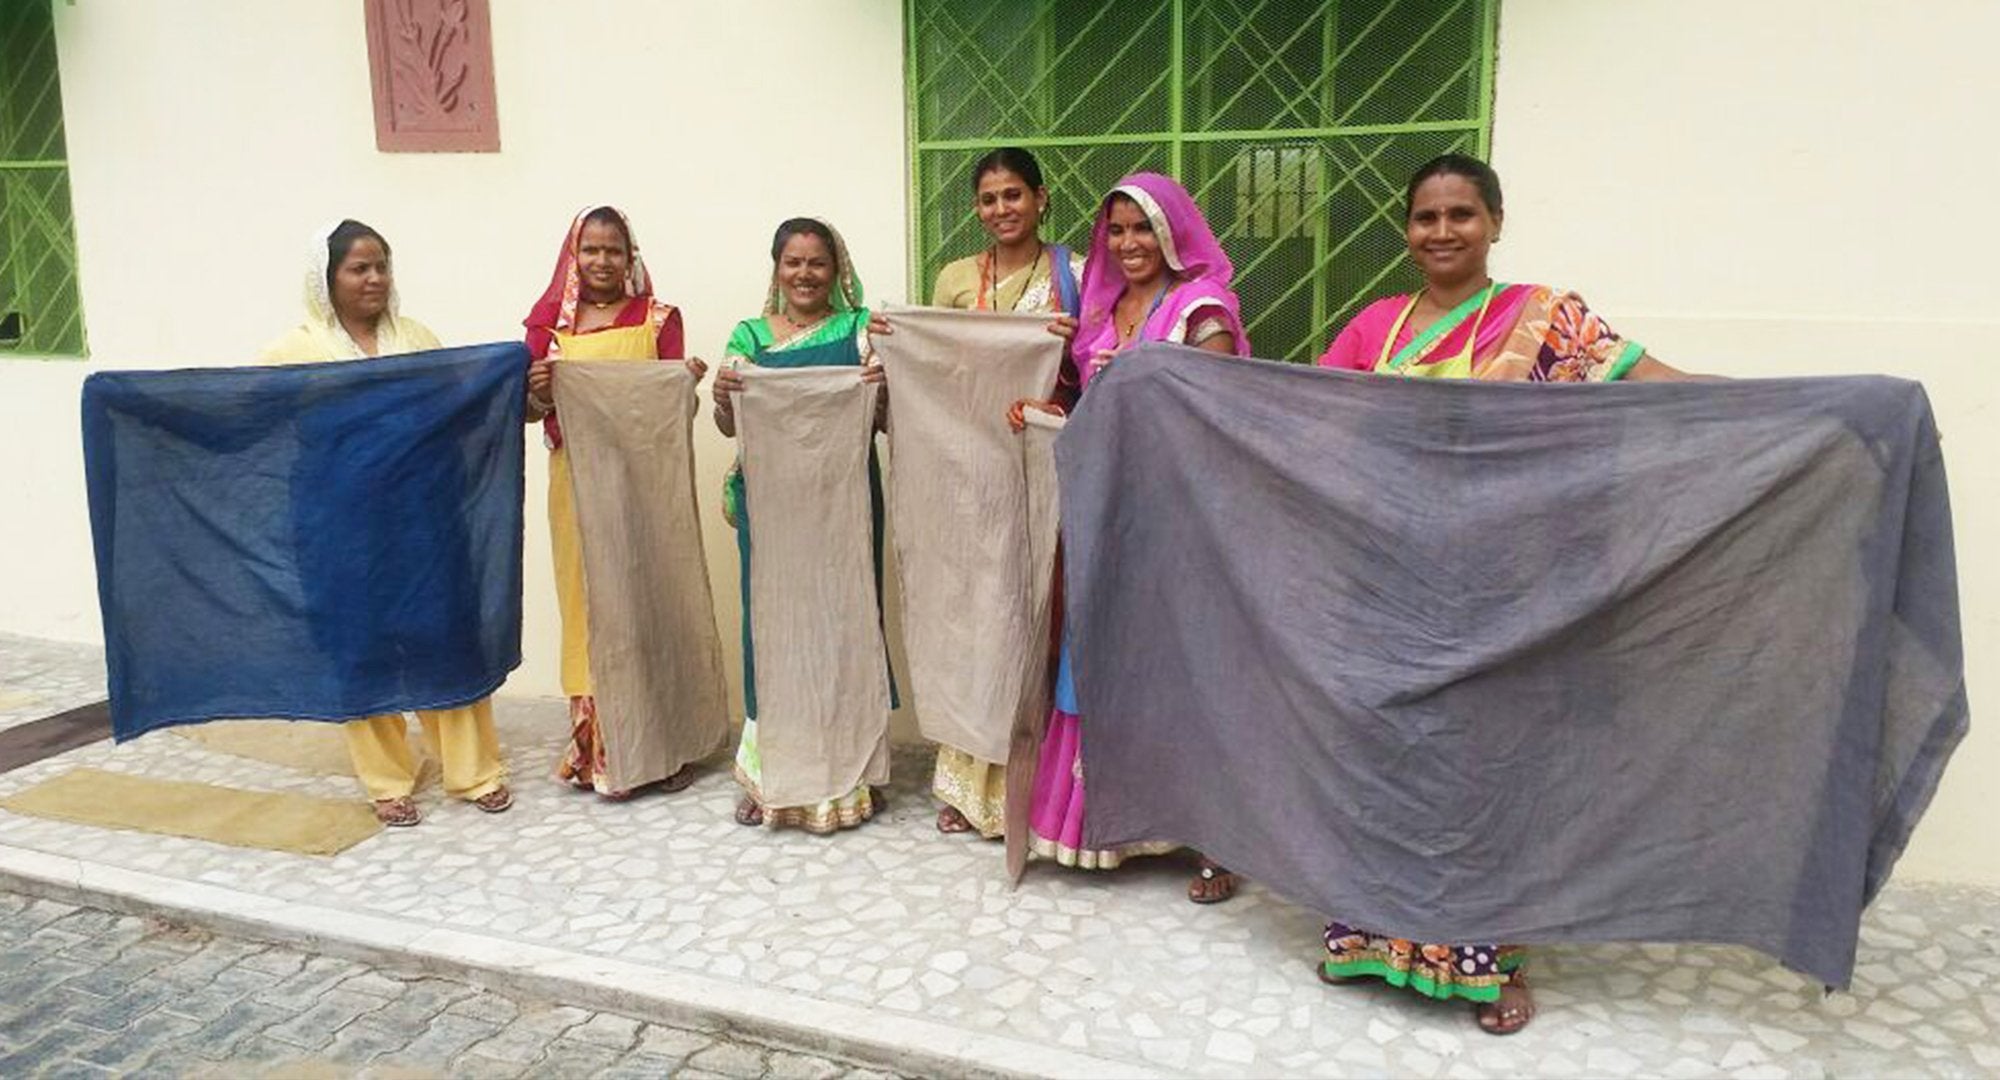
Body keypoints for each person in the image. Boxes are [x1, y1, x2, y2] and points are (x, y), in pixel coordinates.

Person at [1313, 153, 1701, 1036]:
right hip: (1392, 585)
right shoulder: (1376, 327)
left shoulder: (1547, 319)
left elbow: (1660, 392)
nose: (1441, 232)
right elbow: (1296, 416)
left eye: (1461, 214)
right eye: (1425, 217)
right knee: (1389, 762)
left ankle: (1493, 963)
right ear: (1404, 229)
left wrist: (1818, 407)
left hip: (1507, 595)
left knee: (1487, 772)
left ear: (1494, 221)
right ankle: (1366, 939)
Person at [1011, 173, 1248, 902]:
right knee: (1095, 650)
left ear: (1175, 231)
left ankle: (1212, 840)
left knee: (1181, 662)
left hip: (1176, 513)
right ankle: (1096, 828)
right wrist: (1044, 404)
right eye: (1116, 230)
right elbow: (1086, 397)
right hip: (1101, 506)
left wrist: (1146, 384)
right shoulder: (1102, 310)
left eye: (1142, 228)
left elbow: (1218, 397)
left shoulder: (1201, 306)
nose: (1129, 244)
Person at [260, 219, 512, 827]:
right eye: (358, 268)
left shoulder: (418, 340)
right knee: (360, 643)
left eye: (381, 266)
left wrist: (514, 385)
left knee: (445, 633)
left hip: (423, 520)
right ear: (327, 279)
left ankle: (474, 771)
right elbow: (260, 424)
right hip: (341, 526)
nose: (374, 278)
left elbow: (458, 412)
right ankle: (386, 781)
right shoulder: (295, 352)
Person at [907, 147, 1082, 839]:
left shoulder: (1071, 275)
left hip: (1042, 463)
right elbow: (941, 364)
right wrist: (899, 340)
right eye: (989, 199)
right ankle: (965, 782)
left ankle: (1027, 782)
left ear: (1042, 199)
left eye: (1015, 195)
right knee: (973, 614)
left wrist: (1068, 342)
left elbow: (1090, 357)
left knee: (1033, 612)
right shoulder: (955, 277)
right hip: (967, 472)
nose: (1002, 209)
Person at [712, 217, 894, 834]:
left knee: (844, 623)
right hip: (773, 511)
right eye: (793, 262)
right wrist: (721, 395)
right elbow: (730, 427)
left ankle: (849, 774)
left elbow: (887, 418)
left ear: (836, 269)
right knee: (771, 626)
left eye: (817, 263)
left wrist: (882, 387)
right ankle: (770, 777)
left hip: (844, 504)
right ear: (776, 268)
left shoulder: (861, 329)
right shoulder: (749, 335)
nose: (805, 275)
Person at [523, 205, 708, 801]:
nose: (602, 262)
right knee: (588, 604)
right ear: (572, 257)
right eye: (590, 250)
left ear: (632, 256)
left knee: (647, 597)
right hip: (575, 479)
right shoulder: (549, 326)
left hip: (644, 484)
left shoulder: (658, 320)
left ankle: (662, 745)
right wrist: (539, 394)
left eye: (614, 250)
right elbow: (526, 411)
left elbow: (673, 406)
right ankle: (596, 748)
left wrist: (685, 383)